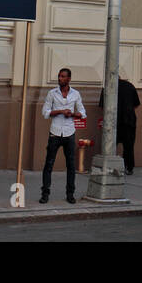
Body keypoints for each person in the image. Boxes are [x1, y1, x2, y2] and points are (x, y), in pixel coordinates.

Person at [41, 67, 86, 204]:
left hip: (69, 132)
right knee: (49, 164)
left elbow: (83, 113)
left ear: (69, 79)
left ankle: (70, 194)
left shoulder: (75, 94)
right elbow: (45, 112)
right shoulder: (52, 93)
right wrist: (60, 111)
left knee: (71, 165)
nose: (60, 79)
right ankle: (45, 193)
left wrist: (71, 114)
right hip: (55, 132)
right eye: (59, 76)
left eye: (63, 76)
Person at [98, 75, 140, 174]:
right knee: (129, 146)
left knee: (110, 145)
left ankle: (110, 167)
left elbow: (102, 106)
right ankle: (129, 167)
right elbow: (136, 104)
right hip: (128, 121)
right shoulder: (130, 86)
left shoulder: (107, 87)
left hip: (113, 121)